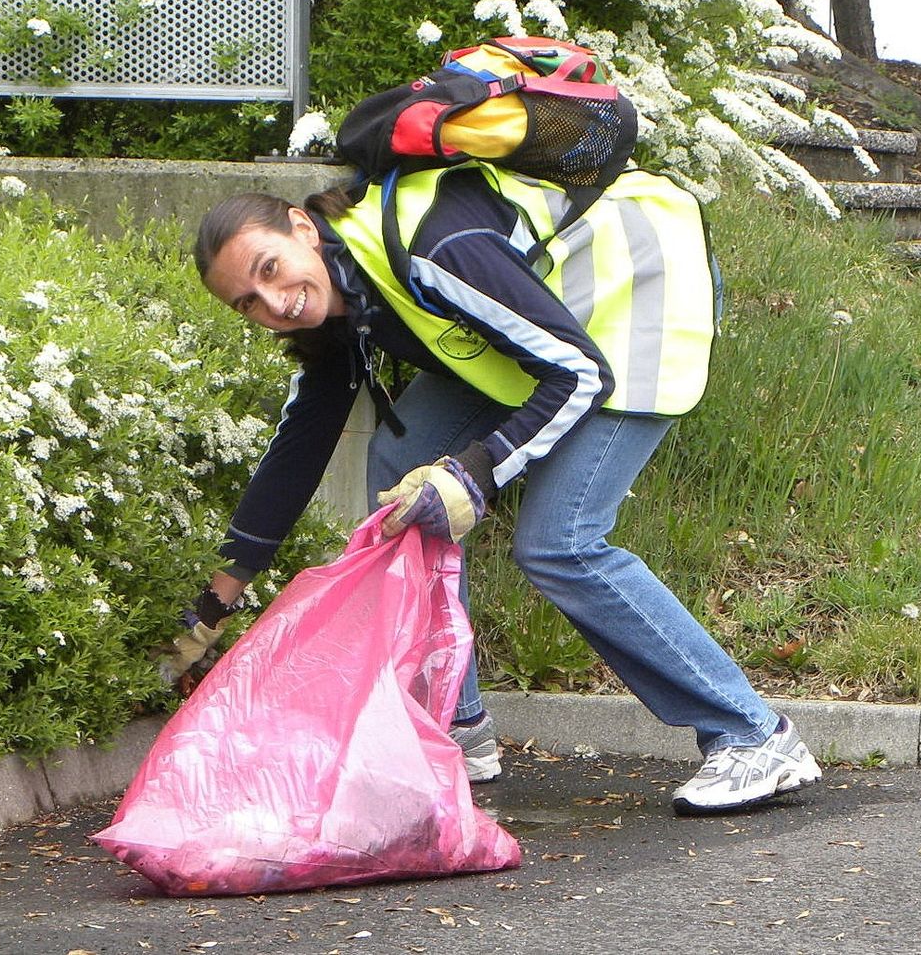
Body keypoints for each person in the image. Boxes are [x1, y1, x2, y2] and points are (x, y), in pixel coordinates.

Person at [161, 159, 822, 814]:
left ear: (303, 228)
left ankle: (754, 735)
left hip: (634, 291)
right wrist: (217, 602)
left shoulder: (430, 250)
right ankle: (457, 726)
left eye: (269, 269)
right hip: (545, 324)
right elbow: (301, 449)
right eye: (248, 302)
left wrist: (478, 471)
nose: (273, 303)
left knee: (560, 543)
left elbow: (579, 374)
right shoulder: (348, 294)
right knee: (402, 467)